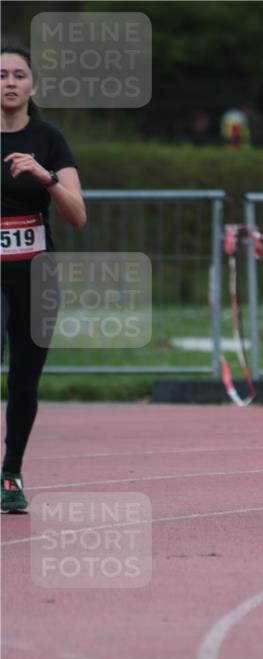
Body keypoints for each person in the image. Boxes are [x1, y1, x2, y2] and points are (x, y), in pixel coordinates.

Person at [1, 40, 86, 512]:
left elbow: (78, 216)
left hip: (36, 274)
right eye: (1, 75)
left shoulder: (49, 139)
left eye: (18, 75)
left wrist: (45, 176)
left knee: (24, 381)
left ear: (33, 86)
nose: (9, 83)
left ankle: (10, 473)